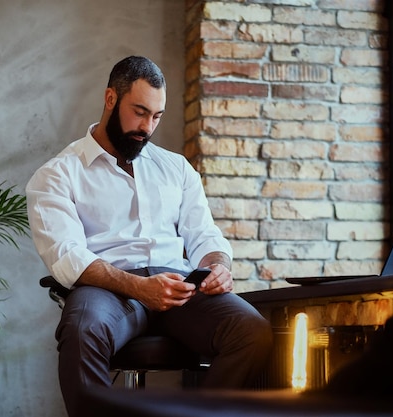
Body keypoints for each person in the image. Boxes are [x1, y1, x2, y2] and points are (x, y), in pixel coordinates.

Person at [26, 56, 273, 417]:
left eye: (156, 116)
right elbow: (66, 256)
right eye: (139, 112)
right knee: (81, 331)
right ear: (111, 98)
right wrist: (139, 288)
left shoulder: (176, 168)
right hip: (107, 289)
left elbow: (203, 233)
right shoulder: (57, 175)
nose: (147, 126)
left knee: (252, 332)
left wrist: (217, 265)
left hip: (178, 285)